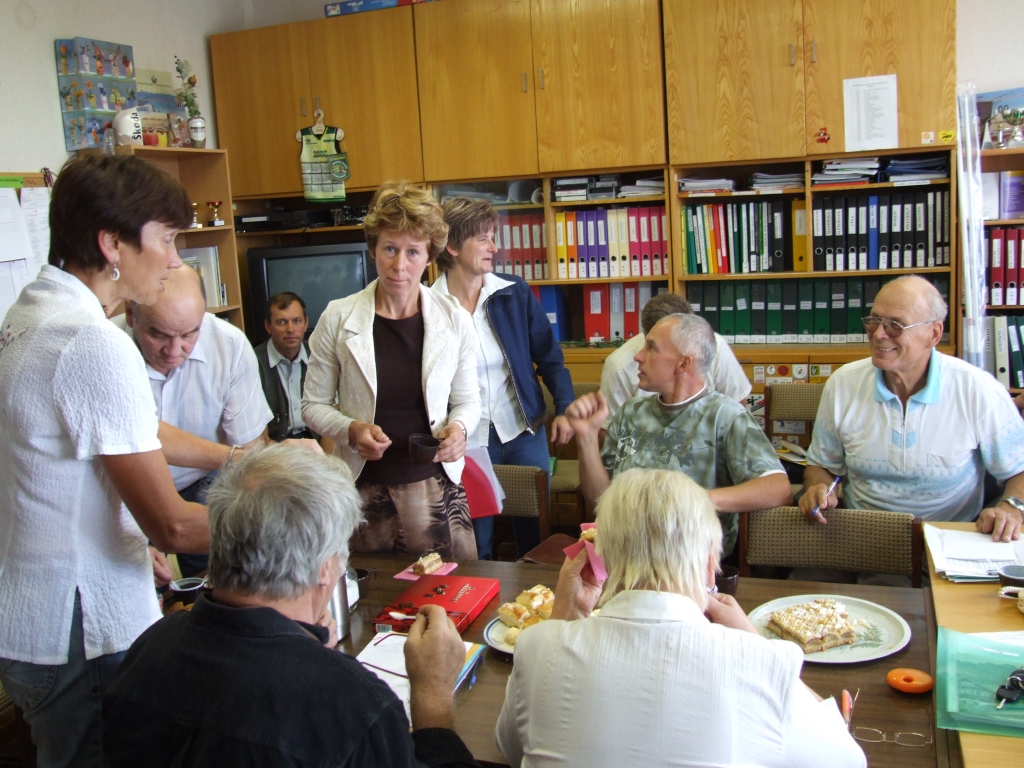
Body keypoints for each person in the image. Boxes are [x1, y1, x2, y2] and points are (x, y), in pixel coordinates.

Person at [0, 154, 218, 767]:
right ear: (112, 243)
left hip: (31, 624)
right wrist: (295, 515)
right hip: (82, 635)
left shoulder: (31, 316)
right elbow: (172, 526)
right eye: (168, 239)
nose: (177, 259)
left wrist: (239, 455)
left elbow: (129, 431)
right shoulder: (94, 343)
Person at [102, 443, 480, 768]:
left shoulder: (147, 650)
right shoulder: (354, 705)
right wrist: (432, 694)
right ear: (324, 568)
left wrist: (302, 654)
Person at [495, 468, 866, 768]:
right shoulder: (760, 661)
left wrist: (564, 619)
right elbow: (849, 760)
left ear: (601, 559)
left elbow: (513, 750)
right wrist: (754, 640)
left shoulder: (538, 645)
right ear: (710, 566)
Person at [303, 181, 481, 560]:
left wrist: (460, 430)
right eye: (389, 249)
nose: (400, 265)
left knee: (450, 600)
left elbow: (467, 401)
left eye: (413, 252)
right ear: (372, 250)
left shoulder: (455, 320)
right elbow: (312, 405)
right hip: (362, 488)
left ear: (429, 256)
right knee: (370, 607)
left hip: (434, 489)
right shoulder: (337, 317)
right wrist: (350, 429)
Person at [800, 276, 1024, 543]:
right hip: (860, 537)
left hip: (948, 540)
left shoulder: (978, 390)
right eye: (874, 320)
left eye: (895, 325)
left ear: (934, 334)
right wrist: (817, 487)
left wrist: (1011, 508)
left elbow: (1019, 470)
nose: (879, 333)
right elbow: (822, 465)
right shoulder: (842, 384)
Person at [565, 312, 791, 556]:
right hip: (625, 555)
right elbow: (600, 503)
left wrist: (692, 500)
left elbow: (778, 488)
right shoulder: (631, 412)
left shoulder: (725, 416)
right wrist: (587, 437)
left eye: (651, 348)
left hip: (692, 562)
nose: (638, 356)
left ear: (683, 363)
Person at [433, 197, 575, 558]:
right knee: (477, 539)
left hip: (522, 430)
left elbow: (549, 355)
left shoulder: (512, 291)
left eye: (492, 237)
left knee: (534, 536)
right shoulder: (429, 307)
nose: (494, 248)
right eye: (483, 239)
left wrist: (565, 406)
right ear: (452, 246)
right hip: (470, 440)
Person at [114, 265, 274, 576]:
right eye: (157, 334)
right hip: (123, 491)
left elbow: (250, 450)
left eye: (189, 334)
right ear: (132, 316)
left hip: (204, 482)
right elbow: (144, 432)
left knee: (222, 578)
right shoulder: (106, 348)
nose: (175, 351)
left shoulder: (228, 345)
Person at [601, 291, 751, 424]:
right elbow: (609, 432)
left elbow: (737, 402)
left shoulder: (714, 346)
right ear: (647, 334)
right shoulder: (619, 365)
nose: (639, 357)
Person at [254, 291, 316, 442]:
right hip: (274, 448)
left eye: (297, 321)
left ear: (306, 323)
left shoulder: (318, 356)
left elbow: (332, 415)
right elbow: (254, 431)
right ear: (268, 326)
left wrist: (328, 461)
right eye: (281, 322)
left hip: (316, 444)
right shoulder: (253, 362)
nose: (290, 329)